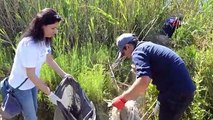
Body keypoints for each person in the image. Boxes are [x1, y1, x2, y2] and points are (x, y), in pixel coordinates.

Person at [111, 33, 196, 120]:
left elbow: (143, 81)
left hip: (175, 92)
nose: (125, 56)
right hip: (181, 89)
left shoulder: (138, 52)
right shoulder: (146, 46)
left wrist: (122, 99)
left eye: (123, 52)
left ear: (127, 47)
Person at [7, 8, 71, 120]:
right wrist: (49, 93)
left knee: (34, 110)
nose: (55, 31)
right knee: (31, 117)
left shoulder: (44, 40)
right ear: (42, 25)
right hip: (20, 86)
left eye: (56, 28)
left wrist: (64, 75)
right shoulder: (29, 45)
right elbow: (30, 75)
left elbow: (49, 60)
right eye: (53, 28)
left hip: (32, 83)